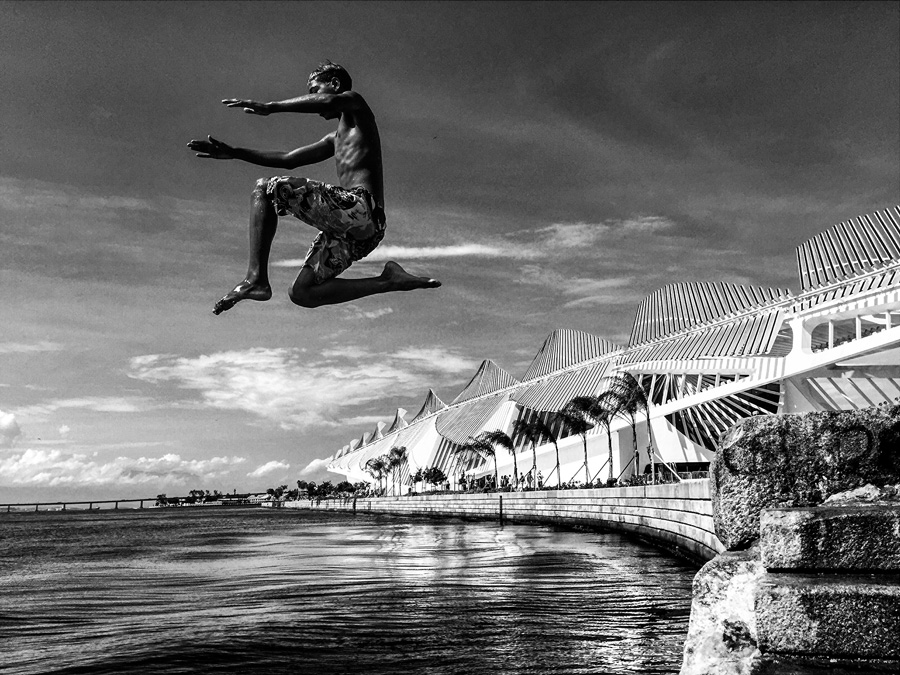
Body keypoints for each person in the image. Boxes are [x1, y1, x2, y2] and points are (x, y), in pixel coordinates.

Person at [187, 61, 441, 315]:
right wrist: (235, 153)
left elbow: (328, 103)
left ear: (335, 85)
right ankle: (388, 281)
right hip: (359, 234)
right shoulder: (335, 139)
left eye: (314, 90)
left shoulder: (355, 104)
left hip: (362, 208)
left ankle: (256, 279)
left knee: (265, 187)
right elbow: (289, 159)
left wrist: (271, 107)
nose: (312, 98)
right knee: (302, 293)